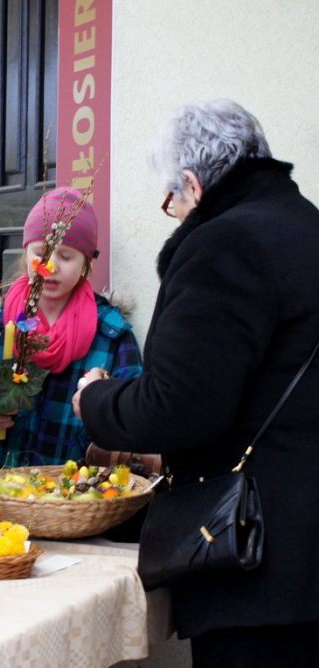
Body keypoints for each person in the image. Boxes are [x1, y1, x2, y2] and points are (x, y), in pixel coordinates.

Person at [73, 99, 319, 666]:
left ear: (192, 184)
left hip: (261, 564)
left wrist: (97, 400)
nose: (175, 211)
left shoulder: (226, 244)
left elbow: (180, 406)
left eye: (172, 200)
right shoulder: (305, 225)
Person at [0, 187, 142, 471]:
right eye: (40, 253)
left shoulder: (112, 338)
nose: (49, 266)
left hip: (74, 503)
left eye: (66, 256)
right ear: (25, 253)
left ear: (86, 262)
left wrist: (101, 407)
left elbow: (134, 427)